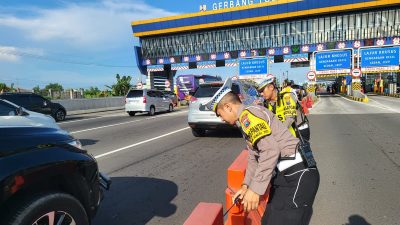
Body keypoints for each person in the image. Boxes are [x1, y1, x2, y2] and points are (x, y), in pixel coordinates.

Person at [205, 78, 320, 225]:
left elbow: (270, 150)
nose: (221, 119)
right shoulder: (246, 119)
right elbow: (254, 156)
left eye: (220, 114)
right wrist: (246, 186)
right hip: (284, 177)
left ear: (228, 107)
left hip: (297, 174)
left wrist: (255, 190)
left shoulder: (248, 116)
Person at [257, 75, 311, 141]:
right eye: (260, 92)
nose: (261, 94)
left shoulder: (287, 96)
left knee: (300, 151)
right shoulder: (267, 103)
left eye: (262, 90)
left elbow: (290, 119)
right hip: (285, 132)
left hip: (299, 131)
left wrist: (276, 133)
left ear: (271, 87)